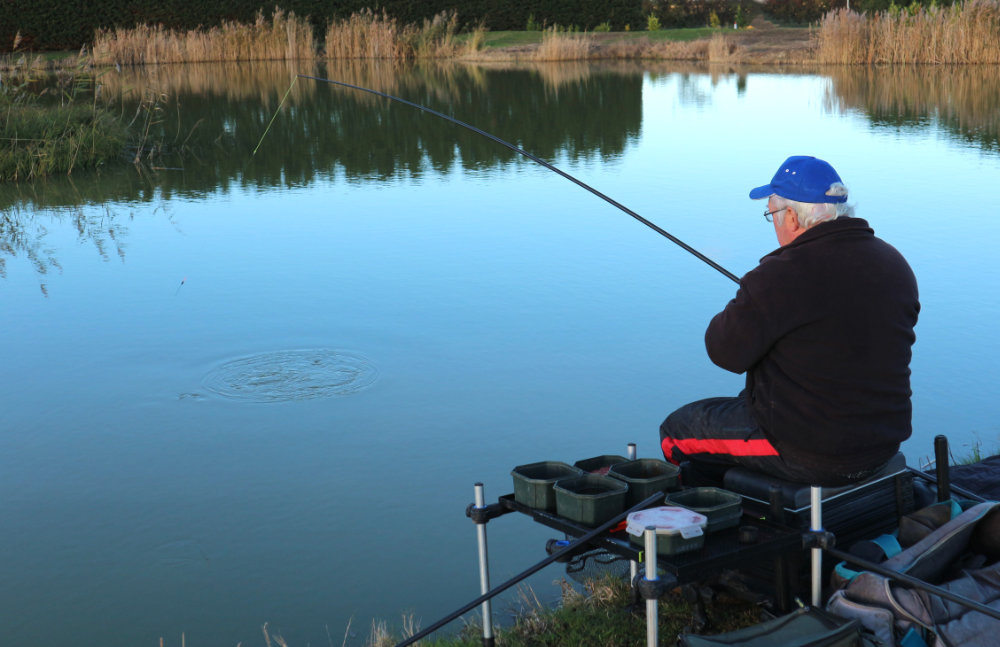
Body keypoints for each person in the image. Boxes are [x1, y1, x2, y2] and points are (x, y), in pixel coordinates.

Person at [660, 156, 920, 487]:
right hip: (882, 445)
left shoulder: (779, 276)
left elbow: (723, 352)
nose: (773, 224)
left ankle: (716, 517)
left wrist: (750, 295)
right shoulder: (894, 263)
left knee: (678, 431)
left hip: (811, 453)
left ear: (793, 218)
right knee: (746, 403)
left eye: (771, 215)